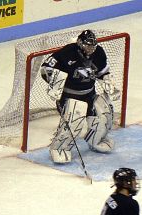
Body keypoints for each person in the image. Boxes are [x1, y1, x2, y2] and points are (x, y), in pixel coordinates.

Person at [40, 29, 120, 163]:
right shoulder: (67, 52)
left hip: (90, 94)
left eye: (92, 46)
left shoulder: (99, 52)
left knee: (104, 115)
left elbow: (103, 72)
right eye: (87, 45)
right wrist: (56, 82)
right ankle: (59, 148)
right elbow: (45, 68)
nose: (90, 49)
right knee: (74, 120)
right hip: (69, 96)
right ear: (80, 43)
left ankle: (96, 141)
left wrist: (109, 84)